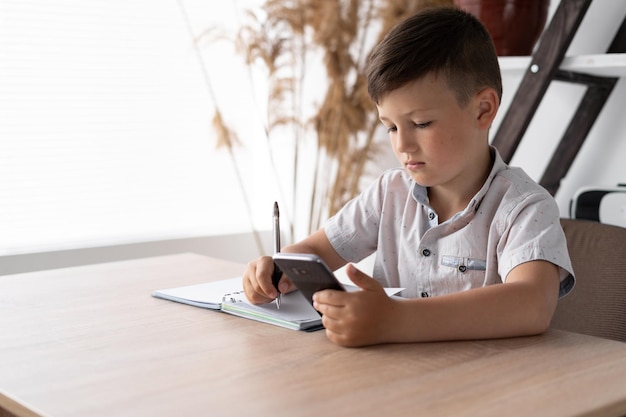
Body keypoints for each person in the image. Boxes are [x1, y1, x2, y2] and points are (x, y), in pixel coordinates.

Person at [242, 6, 575, 347]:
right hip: (397, 381)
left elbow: (531, 304)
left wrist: (395, 320)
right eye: (391, 127)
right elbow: (317, 250)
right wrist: (276, 268)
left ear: (483, 109)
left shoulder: (525, 208)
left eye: (421, 124)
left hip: (481, 386)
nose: (402, 145)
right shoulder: (390, 192)